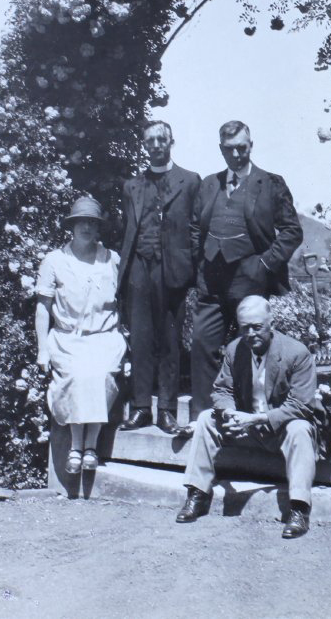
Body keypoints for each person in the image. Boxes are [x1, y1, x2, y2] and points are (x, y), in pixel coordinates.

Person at [184, 120, 303, 429]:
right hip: (211, 277)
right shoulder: (209, 184)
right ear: (221, 149)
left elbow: (292, 231)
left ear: (251, 146)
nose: (236, 154)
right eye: (229, 149)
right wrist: (201, 262)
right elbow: (196, 227)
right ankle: (204, 417)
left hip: (250, 277)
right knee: (202, 343)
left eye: (242, 147)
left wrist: (264, 264)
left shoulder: (271, 183)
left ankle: (244, 418)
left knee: (247, 347)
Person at [176, 295, 318, 539]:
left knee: (300, 428)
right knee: (207, 419)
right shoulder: (234, 350)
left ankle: (298, 509)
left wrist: (259, 419)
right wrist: (230, 413)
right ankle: (197, 494)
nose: (251, 333)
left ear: (271, 323)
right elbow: (221, 390)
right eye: (245, 328)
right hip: (245, 427)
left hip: (279, 429)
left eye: (257, 327)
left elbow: (302, 405)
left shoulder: (297, 353)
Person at [117, 120, 200, 434]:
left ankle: (165, 408)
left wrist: (190, 271)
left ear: (171, 142)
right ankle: (141, 408)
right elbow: (130, 229)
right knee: (139, 339)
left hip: (172, 270)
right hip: (139, 266)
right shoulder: (132, 186)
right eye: (149, 140)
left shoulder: (190, 181)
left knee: (169, 339)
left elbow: (195, 230)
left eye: (160, 139)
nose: (154, 145)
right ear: (144, 145)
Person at [35, 195, 127, 474]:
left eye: (91, 223)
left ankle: (91, 446)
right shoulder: (54, 260)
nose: (86, 228)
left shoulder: (111, 259)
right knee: (77, 374)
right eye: (80, 223)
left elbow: (125, 300)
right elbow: (43, 308)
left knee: (99, 375)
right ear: (71, 227)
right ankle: (76, 446)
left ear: (98, 228)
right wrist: (42, 348)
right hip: (67, 339)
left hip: (103, 337)